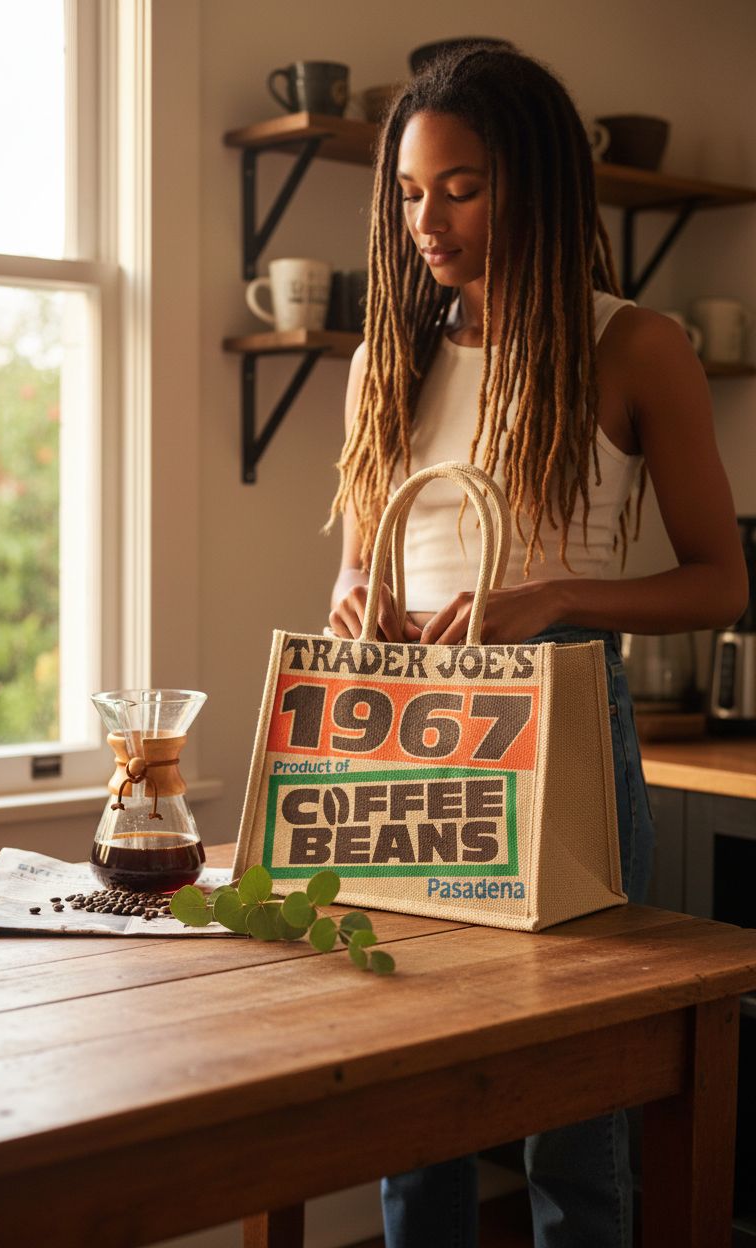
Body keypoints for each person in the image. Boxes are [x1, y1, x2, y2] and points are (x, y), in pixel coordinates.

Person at [325, 44, 748, 1248]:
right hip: (407, 740)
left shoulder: (635, 346)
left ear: (540, 185)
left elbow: (721, 583)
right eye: (408, 193)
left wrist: (552, 596)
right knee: (416, 1105)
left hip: (562, 732)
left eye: (458, 187)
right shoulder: (384, 361)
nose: (425, 220)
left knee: (575, 1113)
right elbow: (359, 568)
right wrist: (358, 602)